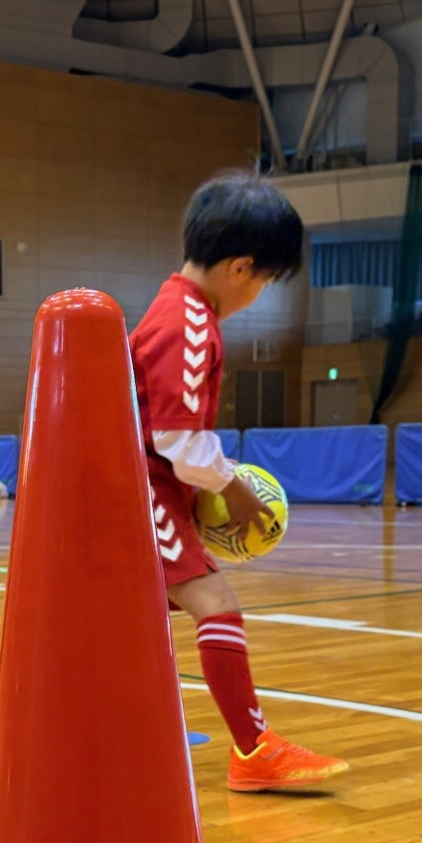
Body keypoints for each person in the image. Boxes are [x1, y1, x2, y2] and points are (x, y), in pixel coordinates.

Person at [131, 171, 348, 792]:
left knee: (143, 614)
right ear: (242, 268)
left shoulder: (171, 307)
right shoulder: (190, 324)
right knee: (215, 604)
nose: (260, 295)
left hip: (150, 487)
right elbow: (176, 439)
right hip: (143, 489)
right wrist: (231, 489)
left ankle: (129, 729)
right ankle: (254, 752)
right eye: (267, 284)